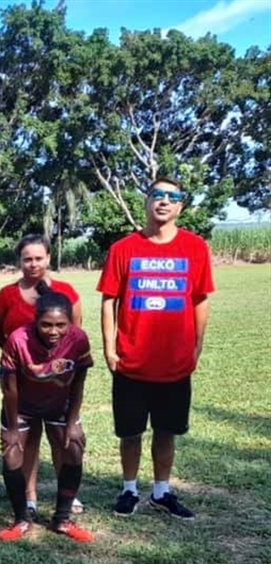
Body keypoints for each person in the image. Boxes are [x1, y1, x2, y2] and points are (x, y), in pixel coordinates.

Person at [99, 177, 213, 520]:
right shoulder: (123, 248)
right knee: (130, 432)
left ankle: (161, 491)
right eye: (157, 195)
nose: (163, 201)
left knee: (167, 431)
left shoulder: (195, 248)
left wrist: (197, 347)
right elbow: (109, 300)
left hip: (175, 363)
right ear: (147, 201)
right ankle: (129, 489)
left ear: (180, 206)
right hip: (131, 362)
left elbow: (200, 298)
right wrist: (109, 347)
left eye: (172, 197)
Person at [0, 234, 84, 518]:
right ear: (19, 261)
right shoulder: (7, 295)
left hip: (57, 379)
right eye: (27, 259)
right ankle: (29, 496)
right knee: (26, 439)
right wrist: (22, 362)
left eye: (38, 258)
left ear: (48, 258)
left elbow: (75, 333)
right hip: (18, 377)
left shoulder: (66, 291)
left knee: (62, 437)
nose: (33, 264)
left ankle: (67, 495)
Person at [0, 292, 93, 542]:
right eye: (46, 324)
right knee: (12, 453)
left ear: (70, 322)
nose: (53, 331)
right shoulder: (18, 340)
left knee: (74, 448)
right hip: (22, 405)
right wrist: (14, 429)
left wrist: (72, 423)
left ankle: (62, 519)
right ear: (35, 321)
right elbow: (10, 389)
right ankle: (21, 519)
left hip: (60, 403)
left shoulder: (79, 339)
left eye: (61, 325)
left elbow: (79, 383)